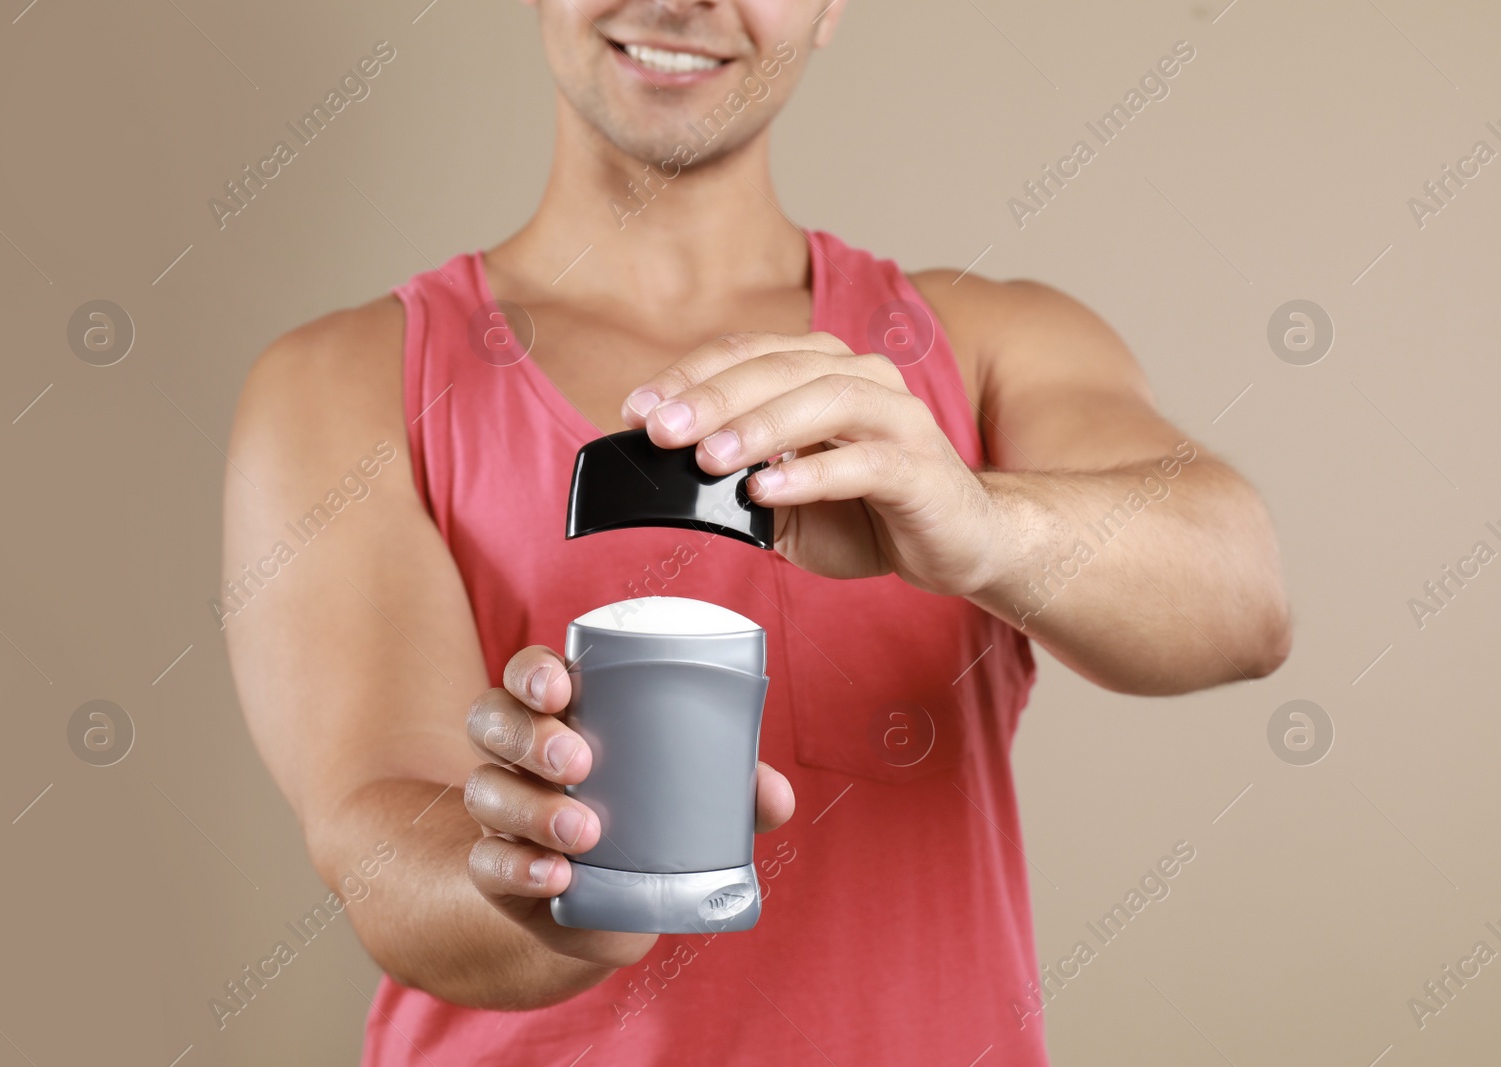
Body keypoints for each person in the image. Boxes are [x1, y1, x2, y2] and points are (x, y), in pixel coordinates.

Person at [222, 1, 1291, 1063]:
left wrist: (976, 523)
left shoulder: (988, 346)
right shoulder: (343, 385)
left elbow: (1239, 595)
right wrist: (584, 879)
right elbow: (381, 843)